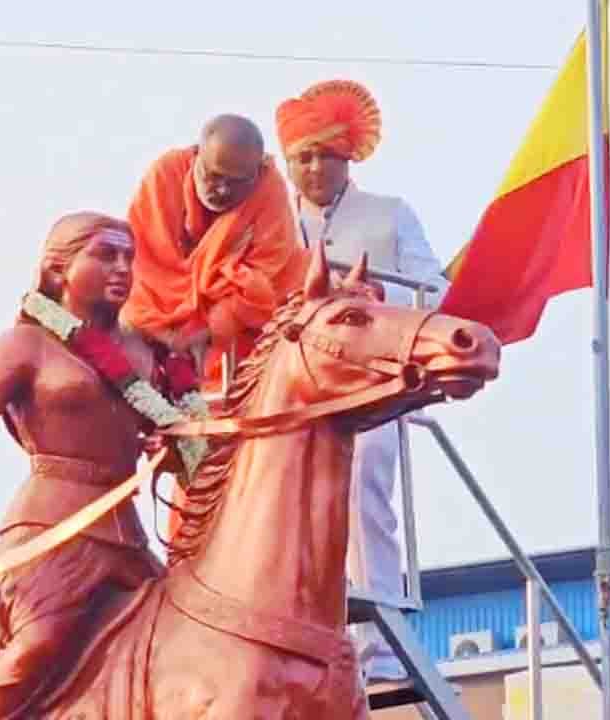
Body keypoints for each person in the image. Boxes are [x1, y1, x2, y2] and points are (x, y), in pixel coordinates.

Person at [0, 212, 197, 720]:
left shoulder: (146, 351)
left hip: (127, 537)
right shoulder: (25, 345)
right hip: (51, 531)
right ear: (57, 269)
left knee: (184, 638)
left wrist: (173, 448)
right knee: (37, 645)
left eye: (128, 257)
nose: (122, 268)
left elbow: (181, 436)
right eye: (105, 255)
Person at [276, 79, 451, 683]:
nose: (313, 168)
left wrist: (377, 298)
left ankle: (377, 649)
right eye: (302, 157)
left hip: (371, 389)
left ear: (348, 157)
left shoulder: (389, 213)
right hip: (295, 394)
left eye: (325, 155)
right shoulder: (273, 225)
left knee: (362, 499)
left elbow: (436, 291)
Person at [121, 113, 309, 391]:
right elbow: (142, 261)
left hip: (235, 326)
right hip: (153, 317)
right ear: (197, 155)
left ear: (256, 173)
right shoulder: (167, 172)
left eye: (236, 183)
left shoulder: (269, 188)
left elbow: (266, 273)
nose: (221, 190)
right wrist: (169, 336)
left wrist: (212, 329)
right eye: (214, 176)